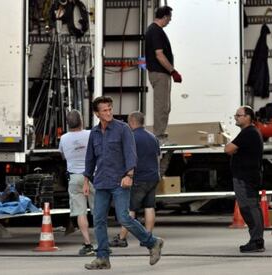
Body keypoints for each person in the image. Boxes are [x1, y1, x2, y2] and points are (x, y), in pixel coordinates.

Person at [83, 96, 164, 270]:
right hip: (101, 182)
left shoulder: (123, 129)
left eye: (110, 109)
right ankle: (102, 257)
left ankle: (152, 242)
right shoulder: (94, 133)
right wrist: (86, 180)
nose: (108, 112)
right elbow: (90, 158)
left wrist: (129, 174)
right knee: (98, 220)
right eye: (104, 110)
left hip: (120, 181)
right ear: (97, 113)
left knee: (124, 218)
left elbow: (130, 153)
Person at [109, 111, 161, 248]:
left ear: (131, 122)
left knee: (130, 209)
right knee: (149, 207)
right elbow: (158, 157)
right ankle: (147, 237)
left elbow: (125, 157)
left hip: (138, 177)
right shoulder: (153, 137)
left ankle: (122, 238)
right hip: (153, 176)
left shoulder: (131, 137)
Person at [224, 106, 265, 253]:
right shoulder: (250, 133)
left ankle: (256, 241)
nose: (236, 117)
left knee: (249, 208)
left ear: (248, 117)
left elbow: (228, 149)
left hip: (245, 177)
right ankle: (257, 239)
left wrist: (228, 144)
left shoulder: (248, 133)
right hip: (248, 176)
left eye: (239, 115)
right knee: (252, 207)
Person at [58, 109, 95, 256]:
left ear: (67, 124)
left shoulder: (64, 138)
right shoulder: (90, 134)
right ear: (82, 121)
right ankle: (102, 243)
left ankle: (87, 244)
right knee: (97, 211)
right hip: (92, 177)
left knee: (80, 212)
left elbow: (62, 155)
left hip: (74, 178)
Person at [145, 5, 182, 144]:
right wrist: (173, 71)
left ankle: (161, 135)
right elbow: (159, 55)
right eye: (169, 18)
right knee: (162, 106)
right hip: (160, 73)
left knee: (165, 106)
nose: (170, 21)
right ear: (165, 17)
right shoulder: (155, 31)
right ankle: (159, 137)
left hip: (159, 73)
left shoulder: (154, 30)